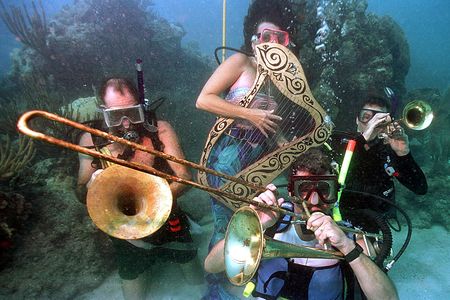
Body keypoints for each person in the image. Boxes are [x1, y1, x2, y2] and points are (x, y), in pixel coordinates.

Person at [195, 1, 298, 298]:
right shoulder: (240, 62)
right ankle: (217, 286)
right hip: (229, 156)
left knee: (254, 218)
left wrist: (282, 143)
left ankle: (246, 277)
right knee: (225, 221)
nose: (272, 43)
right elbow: (204, 100)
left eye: (280, 38)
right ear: (254, 40)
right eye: (265, 36)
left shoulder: (280, 78)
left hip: (262, 157)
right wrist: (249, 114)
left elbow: (270, 120)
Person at [204, 148, 399, 299]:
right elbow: (212, 265)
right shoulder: (273, 223)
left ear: (335, 192)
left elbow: (389, 298)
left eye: (324, 189)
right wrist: (254, 225)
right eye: (304, 189)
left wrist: (347, 247)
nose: (314, 201)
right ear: (291, 192)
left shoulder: (350, 237)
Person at [76, 77, 200, 299]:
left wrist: (152, 205)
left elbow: (185, 176)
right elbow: (79, 190)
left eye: (133, 113)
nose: (126, 124)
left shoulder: (159, 130)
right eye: (115, 116)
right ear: (103, 112)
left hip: (167, 217)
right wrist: (92, 188)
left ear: (142, 106)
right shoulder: (90, 139)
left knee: (196, 281)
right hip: (123, 230)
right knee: (134, 295)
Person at [340, 93, 427, 224]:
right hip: (338, 219)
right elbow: (335, 176)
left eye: (379, 120)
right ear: (357, 119)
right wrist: (363, 139)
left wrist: (403, 154)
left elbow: (420, 188)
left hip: (375, 225)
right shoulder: (340, 144)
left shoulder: (387, 151)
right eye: (366, 117)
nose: (372, 123)